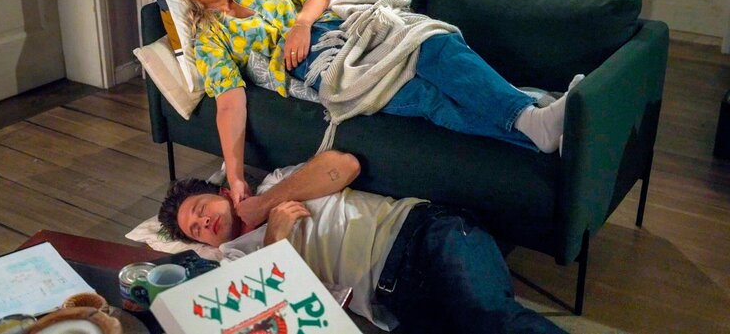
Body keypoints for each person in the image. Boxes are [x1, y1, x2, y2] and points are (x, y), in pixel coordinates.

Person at [157, 0, 582, 207]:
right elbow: (229, 102)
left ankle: (532, 121)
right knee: (427, 98)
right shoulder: (210, 37)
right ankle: (534, 123)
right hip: (323, 68)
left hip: (341, 30)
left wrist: (301, 24)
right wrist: (234, 175)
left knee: (433, 43)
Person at [158, 150, 566, 333]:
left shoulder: (277, 182)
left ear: (224, 193)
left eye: (200, 209)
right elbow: (277, 314)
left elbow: (345, 165)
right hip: (393, 300)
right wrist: (274, 238)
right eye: (196, 229)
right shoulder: (234, 261)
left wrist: (265, 204)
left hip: (420, 234)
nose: (204, 222)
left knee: (490, 317)